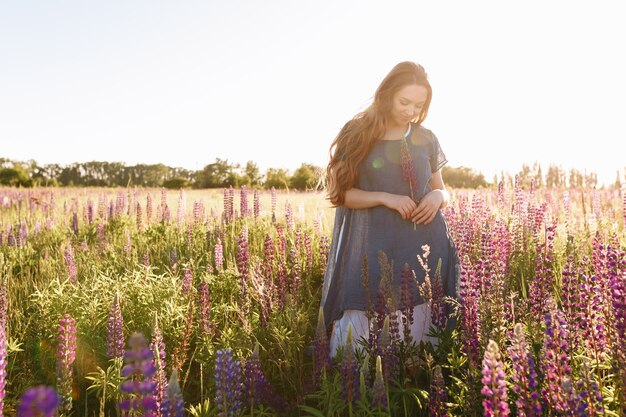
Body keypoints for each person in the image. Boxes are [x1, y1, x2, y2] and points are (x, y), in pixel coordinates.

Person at [321, 61, 460, 355]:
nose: (411, 111)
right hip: (372, 250)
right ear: (387, 94)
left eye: (419, 104)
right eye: (404, 101)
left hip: (424, 249)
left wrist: (437, 197)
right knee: (360, 353)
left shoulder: (426, 138)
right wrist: (386, 197)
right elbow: (341, 195)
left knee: (422, 349)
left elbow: (441, 188)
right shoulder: (358, 132)